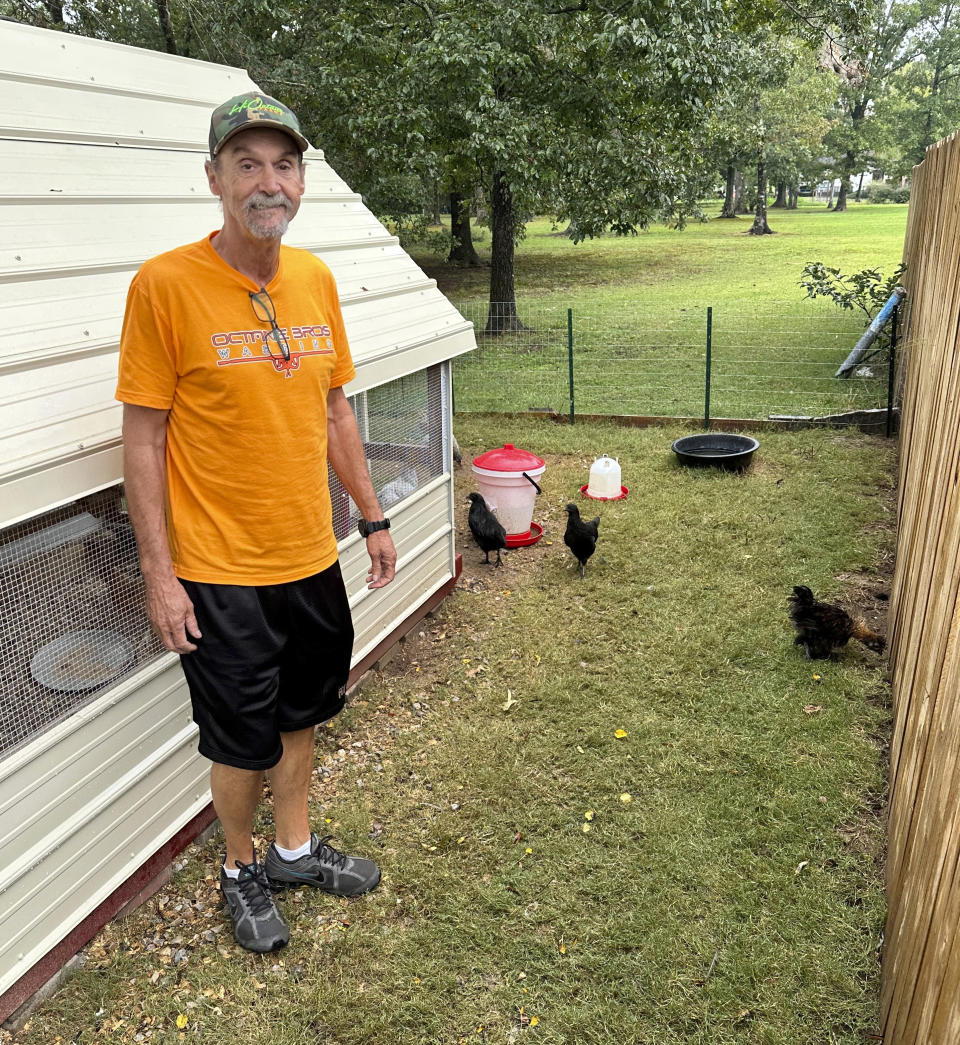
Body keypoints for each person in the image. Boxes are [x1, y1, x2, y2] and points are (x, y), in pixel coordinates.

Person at [115, 92, 397, 954]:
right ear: (214, 179)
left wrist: (374, 516)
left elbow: (336, 411)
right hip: (220, 570)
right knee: (238, 739)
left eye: (282, 164)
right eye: (247, 164)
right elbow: (143, 440)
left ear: (301, 180)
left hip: (309, 552)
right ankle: (240, 868)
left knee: (302, 711)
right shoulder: (165, 286)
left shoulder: (313, 279)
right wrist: (159, 577)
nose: (267, 183)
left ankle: (293, 850)